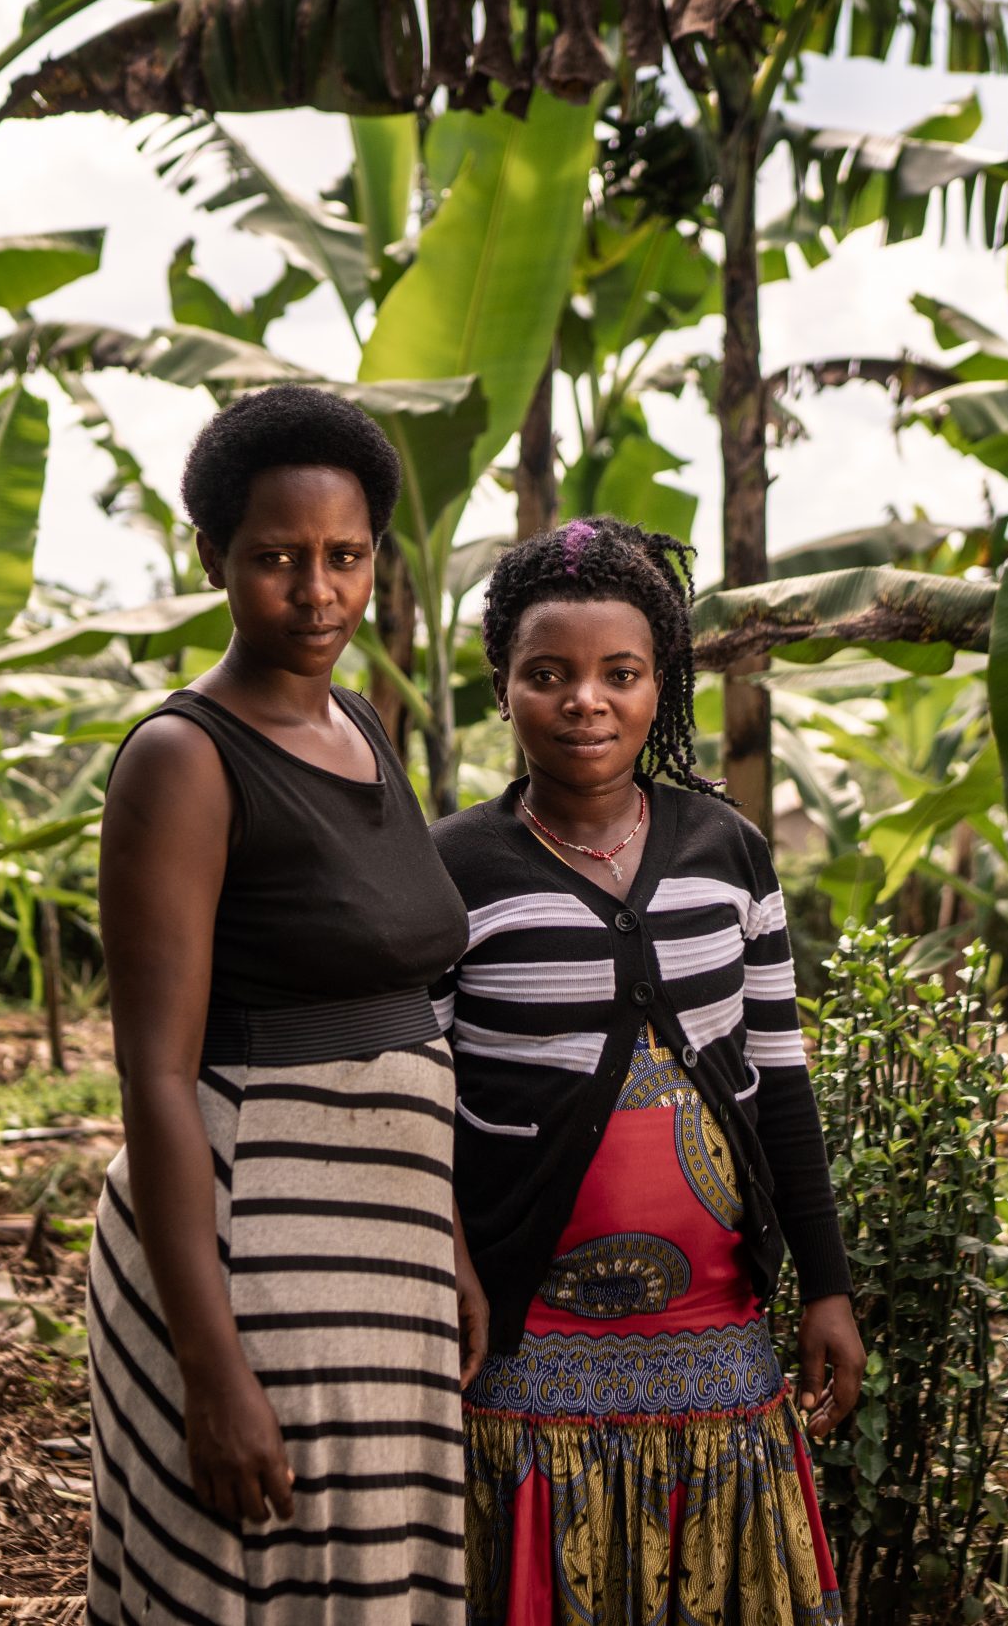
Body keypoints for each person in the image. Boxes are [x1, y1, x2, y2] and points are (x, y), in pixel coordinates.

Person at [89, 385, 484, 1625]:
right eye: (275, 559)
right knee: (264, 1585)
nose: (317, 593)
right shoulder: (184, 758)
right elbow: (157, 1075)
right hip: (257, 1254)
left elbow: (402, 1000)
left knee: (372, 1586)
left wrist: (448, 1241)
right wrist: (212, 1372)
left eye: (345, 557)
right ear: (212, 558)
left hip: (387, 1253)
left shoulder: (361, 725)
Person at [432, 516, 865, 1626]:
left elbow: (781, 1082)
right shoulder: (449, 870)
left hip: (717, 1335)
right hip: (524, 1339)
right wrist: (453, 1268)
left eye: (619, 674)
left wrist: (826, 1284)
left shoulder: (728, 850)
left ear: (660, 684)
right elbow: (419, 1098)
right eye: (548, 673)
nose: (586, 699)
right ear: (501, 685)